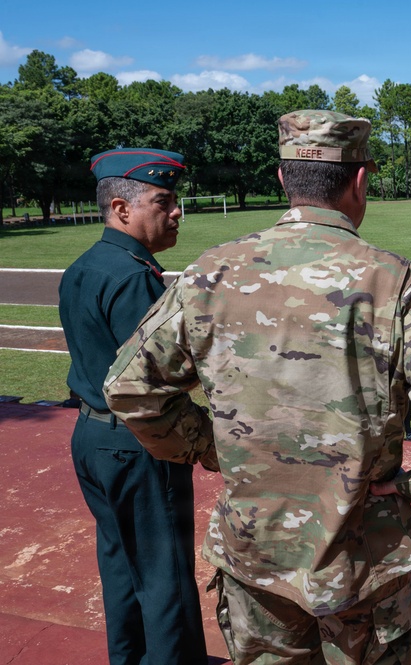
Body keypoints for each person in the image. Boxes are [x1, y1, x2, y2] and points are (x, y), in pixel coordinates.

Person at [104, 111, 411, 664]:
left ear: (284, 180)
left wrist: (212, 447)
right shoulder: (394, 283)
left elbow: (130, 390)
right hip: (362, 559)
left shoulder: (209, 274)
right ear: (361, 180)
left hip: (255, 553)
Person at [59, 148, 210, 665]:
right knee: (165, 575)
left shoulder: (84, 266)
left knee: (123, 567)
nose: (176, 213)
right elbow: (155, 379)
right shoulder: (133, 276)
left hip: (91, 438)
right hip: (137, 444)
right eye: (163, 201)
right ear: (122, 209)